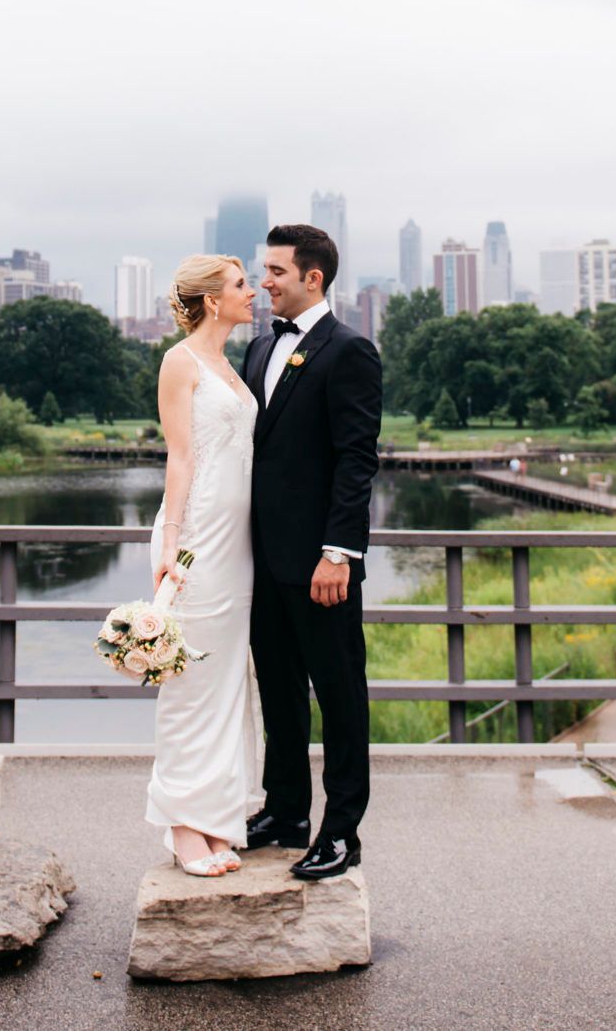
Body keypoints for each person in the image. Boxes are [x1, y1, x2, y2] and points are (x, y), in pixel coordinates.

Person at [244, 223, 383, 882]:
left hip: (321, 562)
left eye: (274, 271)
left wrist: (339, 553)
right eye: (263, 271)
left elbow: (357, 460)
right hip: (262, 562)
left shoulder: (349, 351)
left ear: (312, 278)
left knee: (338, 693)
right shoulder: (254, 351)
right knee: (279, 691)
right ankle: (287, 811)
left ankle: (341, 831)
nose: (263, 282)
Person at [143, 254, 263, 877]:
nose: (255, 293)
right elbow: (181, 460)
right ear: (213, 300)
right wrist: (171, 549)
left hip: (237, 544)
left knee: (226, 684)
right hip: (196, 542)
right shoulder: (179, 362)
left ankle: (217, 820)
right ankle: (183, 826)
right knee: (189, 684)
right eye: (243, 286)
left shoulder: (233, 365)